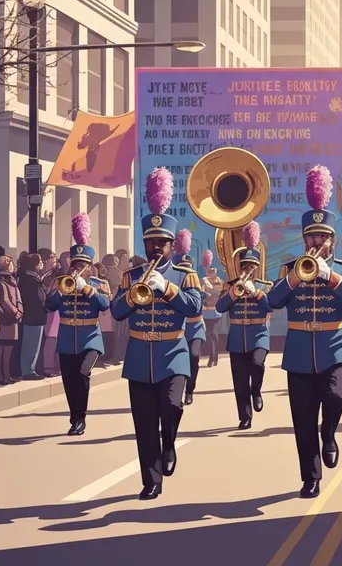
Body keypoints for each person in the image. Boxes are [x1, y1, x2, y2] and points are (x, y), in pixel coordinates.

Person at [267, 164, 342, 500]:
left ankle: (330, 435)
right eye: (312, 237)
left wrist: (329, 276)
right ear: (304, 238)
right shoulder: (291, 269)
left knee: (335, 396)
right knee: (302, 418)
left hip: (334, 347)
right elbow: (271, 301)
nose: (317, 242)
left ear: (332, 240)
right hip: (298, 353)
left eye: (323, 237)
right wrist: (295, 278)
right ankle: (310, 477)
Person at [111, 167, 202, 501]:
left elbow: (193, 308)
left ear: (171, 246)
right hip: (139, 357)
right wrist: (134, 292)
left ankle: (169, 443)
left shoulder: (183, 274)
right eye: (151, 244)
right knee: (144, 422)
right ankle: (151, 481)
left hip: (173, 354)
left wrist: (166, 289)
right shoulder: (130, 275)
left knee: (171, 406)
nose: (155, 250)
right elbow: (118, 311)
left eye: (161, 245)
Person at [45, 213, 110, 436]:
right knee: (69, 381)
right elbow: (49, 306)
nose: (78, 269)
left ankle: (81, 418)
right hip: (66, 339)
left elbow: (104, 305)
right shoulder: (61, 283)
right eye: (75, 265)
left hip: (90, 339)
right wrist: (62, 292)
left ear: (90, 267)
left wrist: (86, 289)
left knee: (83, 373)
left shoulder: (98, 284)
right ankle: (75, 418)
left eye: (83, 265)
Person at [215, 222, 271, 429]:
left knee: (257, 365)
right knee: (239, 381)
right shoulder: (231, 286)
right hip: (237, 338)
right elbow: (220, 308)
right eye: (244, 267)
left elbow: (271, 307)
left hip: (259, 335)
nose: (247, 270)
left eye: (251, 267)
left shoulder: (265, 286)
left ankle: (256, 390)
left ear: (257, 269)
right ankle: (245, 416)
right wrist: (232, 293)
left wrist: (256, 293)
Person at [171, 229, 204, 406]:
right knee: (180, 359)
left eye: (187, 268)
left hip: (195, 326)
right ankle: (179, 390)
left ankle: (190, 389)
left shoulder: (195, 279)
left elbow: (198, 304)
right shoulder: (173, 280)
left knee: (194, 355)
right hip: (178, 327)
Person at [0, 246, 22, 385]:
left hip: (14, 318)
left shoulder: (13, 282)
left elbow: (18, 298)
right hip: (6, 318)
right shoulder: (1, 282)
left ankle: (6, 373)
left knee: (9, 348)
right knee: (1, 348)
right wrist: (15, 311)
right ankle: (0, 375)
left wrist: (20, 310)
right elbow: (4, 300)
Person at [18, 252, 48, 380]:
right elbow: (33, 298)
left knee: (34, 344)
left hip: (37, 315)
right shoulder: (29, 279)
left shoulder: (33, 277)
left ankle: (31, 368)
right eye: (40, 261)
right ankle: (28, 370)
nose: (42, 264)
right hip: (33, 315)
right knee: (30, 344)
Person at [201, 250, 222, 367]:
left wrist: (211, 290)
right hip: (206, 313)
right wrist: (204, 286)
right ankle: (212, 358)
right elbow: (201, 295)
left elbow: (218, 295)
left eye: (212, 272)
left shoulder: (220, 283)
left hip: (216, 313)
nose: (211, 273)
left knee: (213, 335)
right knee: (209, 335)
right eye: (209, 271)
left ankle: (213, 359)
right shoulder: (203, 281)